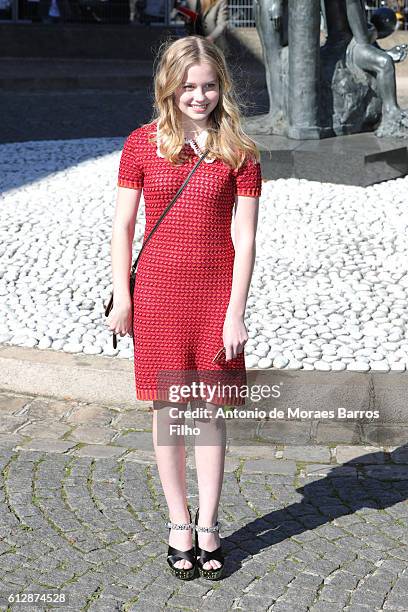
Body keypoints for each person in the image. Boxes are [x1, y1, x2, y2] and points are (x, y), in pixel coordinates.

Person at [106, 35, 262, 580]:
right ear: (169, 87)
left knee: (209, 415)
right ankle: (178, 524)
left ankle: (210, 523)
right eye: (188, 87)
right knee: (170, 413)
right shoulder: (142, 144)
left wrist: (235, 312)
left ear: (222, 87)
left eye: (209, 86)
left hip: (215, 294)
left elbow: (245, 238)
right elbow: (123, 227)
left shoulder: (240, 151)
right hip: (157, 295)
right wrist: (122, 297)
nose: (199, 96)